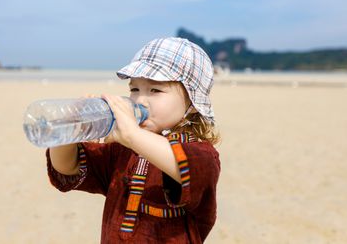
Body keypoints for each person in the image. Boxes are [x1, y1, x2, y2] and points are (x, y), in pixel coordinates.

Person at [47, 37, 221, 243]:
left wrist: (133, 135)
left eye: (155, 90)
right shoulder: (123, 149)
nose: (139, 100)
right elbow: (67, 168)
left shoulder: (202, 154)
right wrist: (68, 133)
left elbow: (185, 167)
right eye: (134, 89)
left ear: (192, 103)